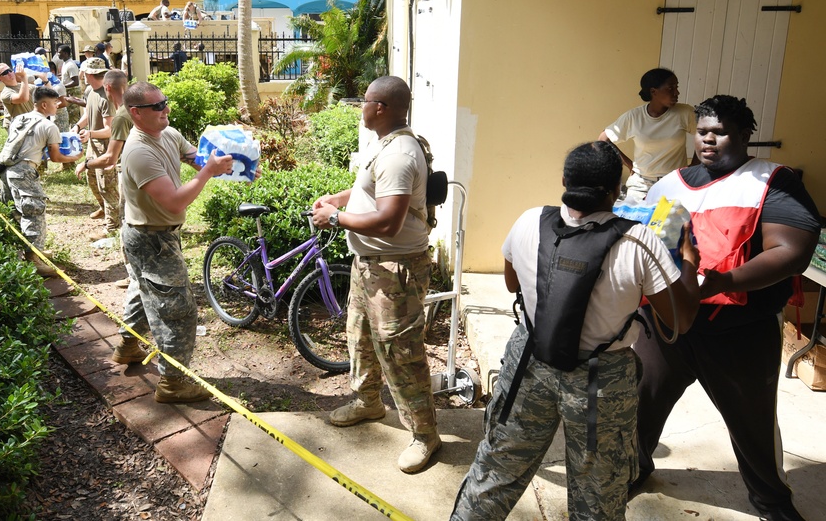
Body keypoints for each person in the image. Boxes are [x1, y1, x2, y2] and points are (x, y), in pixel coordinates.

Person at [450, 141, 700, 521]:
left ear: (565, 181)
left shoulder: (529, 220)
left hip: (529, 362)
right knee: (598, 488)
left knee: (499, 467)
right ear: (617, 190)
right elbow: (678, 320)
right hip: (602, 379)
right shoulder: (637, 240)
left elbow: (512, 283)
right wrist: (689, 264)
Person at [634, 95, 820, 521]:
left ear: (743, 135)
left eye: (719, 132)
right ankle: (634, 466)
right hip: (666, 325)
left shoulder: (772, 181)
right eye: (702, 131)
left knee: (752, 421)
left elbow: (791, 251)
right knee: (640, 403)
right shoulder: (672, 183)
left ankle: (771, 501)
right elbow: (656, 242)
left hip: (739, 328)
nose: (709, 140)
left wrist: (723, 281)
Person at [311, 76, 440, 474]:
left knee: (401, 354)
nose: (360, 106)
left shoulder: (400, 153)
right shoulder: (383, 143)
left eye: (364, 101)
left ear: (381, 107)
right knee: (361, 337)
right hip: (370, 264)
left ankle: (425, 434)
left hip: (395, 269)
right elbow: (372, 192)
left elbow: (388, 221)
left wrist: (333, 218)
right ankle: (368, 402)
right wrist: (339, 198)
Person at [111, 81, 234, 403]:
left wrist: (237, 166)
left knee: (144, 289)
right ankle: (173, 383)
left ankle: (127, 345)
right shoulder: (138, 152)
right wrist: (207, 172)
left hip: (155, 235)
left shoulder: (168, 133)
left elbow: (198, 159)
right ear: (136, 113)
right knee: (176, 310)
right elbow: (176, 203)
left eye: (165, 102)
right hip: (150, 239)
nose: (166, 109)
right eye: (158, 106)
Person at [0, 86, 84, 277]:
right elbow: (55, 157)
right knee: (34, 211)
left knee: (15, 210)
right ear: (44, 105)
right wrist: (76, 157)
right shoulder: (49, 126)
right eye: (55, 103)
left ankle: (30, 250)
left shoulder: (20, 118)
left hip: (6, 168)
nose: (58, 105)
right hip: (24, 171)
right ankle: (33, 260)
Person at [599, 68, 696, 202]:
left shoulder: (685, 113)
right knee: (633, 221)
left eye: (676, 87)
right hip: (641, 185)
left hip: (675, 183)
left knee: (671, 222)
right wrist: (629, 164)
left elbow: (704, 136)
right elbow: (603, 139)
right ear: (653, 92)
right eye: (670, 88)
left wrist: (694, 167)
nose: (676, 92)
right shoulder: (634, 117)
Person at [73, 57, 118, 235]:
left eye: (84, 71)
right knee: (92, 180)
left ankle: (113, 226)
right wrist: (78, 126)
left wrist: (90, 133)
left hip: (106, 147)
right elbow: (88, 114)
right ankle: (103, 208)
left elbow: (110, 130)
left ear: (90, 74)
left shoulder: (106, 97)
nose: (82, 75)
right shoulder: (90, 91)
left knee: (107, 186)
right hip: (93, 145)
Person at [0, 62, 33, 129]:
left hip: (30, 123)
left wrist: (45, 80)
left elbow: (49, 93)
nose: (9, 73)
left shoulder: (26, 86)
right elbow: (23, 98)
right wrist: (23, 77)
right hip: (17, 127)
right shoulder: (5, 93)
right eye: (5, 73)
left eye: (10, 70)